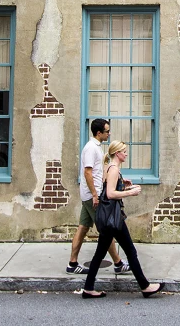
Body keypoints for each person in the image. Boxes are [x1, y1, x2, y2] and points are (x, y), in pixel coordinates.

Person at [81, 141, 164, 299]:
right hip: (113, 219)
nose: (126, 154)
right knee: (130, 251)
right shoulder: (113, 169)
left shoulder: (111, 169)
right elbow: (111, 194)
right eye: (124, 151)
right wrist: (129, 193)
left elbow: (107, 190)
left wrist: (123, 186)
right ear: (117, 153)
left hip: (111, 219)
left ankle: (88, 288)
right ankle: (145, 286)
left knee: (100, 254)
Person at [67, 118, 130, 275]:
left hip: (90, 194)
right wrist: (95, 195)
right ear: (99, 133)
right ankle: (118, 263)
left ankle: (72, 264)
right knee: (106, 229)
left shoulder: (97, 147)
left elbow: (98, 171)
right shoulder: (91, 148)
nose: (109, 134)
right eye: (107, 131)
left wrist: (119, 178)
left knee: (83, 227)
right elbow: (87, 172)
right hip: (91, 196)